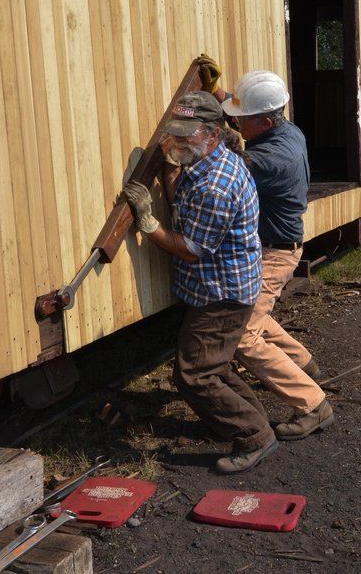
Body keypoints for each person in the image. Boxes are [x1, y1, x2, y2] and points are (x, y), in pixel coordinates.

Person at [122, 90, 277, 474]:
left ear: (210, 133)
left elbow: (191, 248)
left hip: (221, 296)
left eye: (186, 136)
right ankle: (249, 419)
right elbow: (187, 205)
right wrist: (170, 173)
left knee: (192, 375)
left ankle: (254, 435)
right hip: (222, 290)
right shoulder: (206, 165)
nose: (176, 142)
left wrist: (148, 222)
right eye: (174, 134)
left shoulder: (216, 184)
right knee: (214, 368)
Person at [203, 63, 334, 441]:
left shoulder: (270, 160)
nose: (236, 125)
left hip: (274, 254)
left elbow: (222, 162)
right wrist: (217, 92)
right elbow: (240, 108)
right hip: (277, 246)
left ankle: (312, 404)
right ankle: (303, 364)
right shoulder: (287, 129)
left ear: (264, 122)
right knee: (255, 314)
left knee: (243, 335)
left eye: (242, 122)